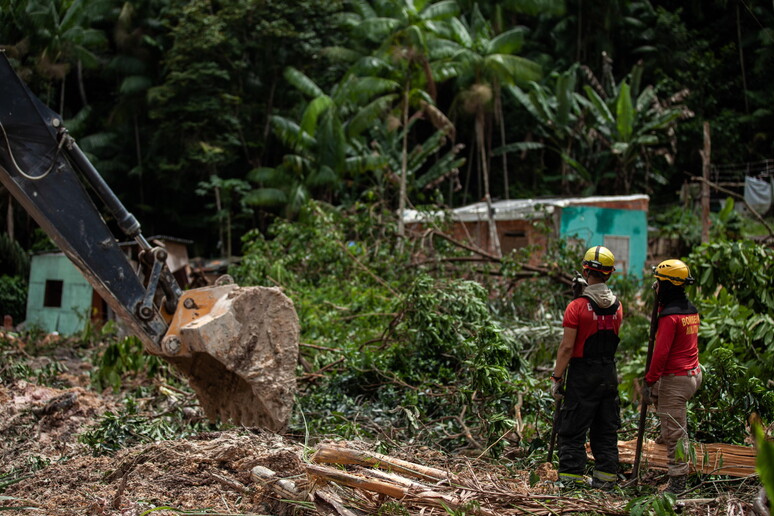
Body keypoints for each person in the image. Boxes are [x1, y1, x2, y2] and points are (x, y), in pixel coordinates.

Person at [551, 245, 623, 490]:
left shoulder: (577, 307)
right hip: (609, 374)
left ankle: (570, 481)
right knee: (605, 429)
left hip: (583, 375)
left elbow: (567, 348)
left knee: (571, 429)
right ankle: (606, 481)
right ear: (609, 273)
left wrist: (556, 377)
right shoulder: (618, 307)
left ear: (585, 269)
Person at [643, 259, 701, 495]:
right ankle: (666, 432)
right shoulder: (689, 309)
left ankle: (677, 482)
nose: (656, 285)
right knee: (661, 401)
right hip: (693, 374)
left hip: (676, 379)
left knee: (676, 434)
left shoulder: (670, 317)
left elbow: (661, 354)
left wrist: (649, 379)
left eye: (658, 281)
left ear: (666, 285)